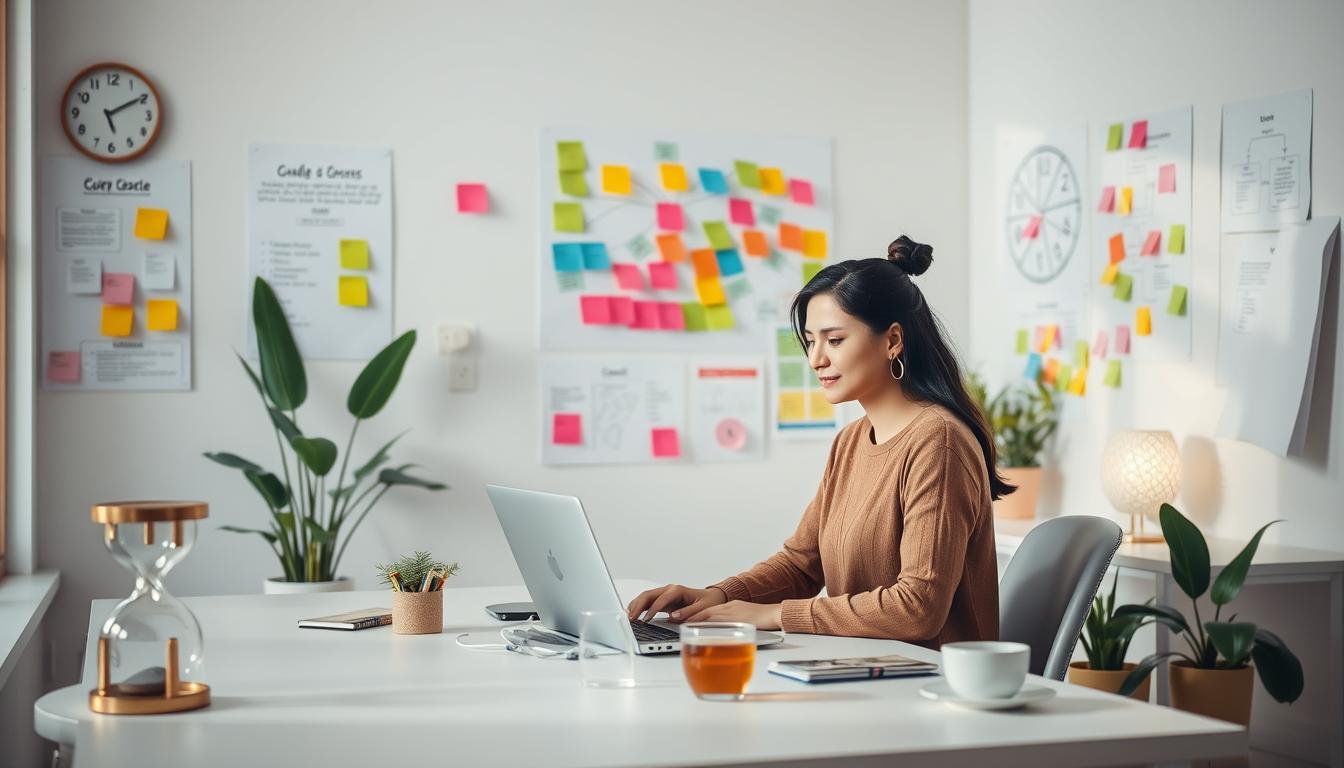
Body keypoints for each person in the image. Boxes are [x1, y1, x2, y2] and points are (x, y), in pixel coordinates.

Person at [627, 235, 1012, 647]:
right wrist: (717, 596)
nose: (816, 359)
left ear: (893, 340)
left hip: (930, 685)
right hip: (866, 669)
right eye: (810, 341)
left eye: (835, 339)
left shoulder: (939, 441)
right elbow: (802, 565)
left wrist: (772, 616)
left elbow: (916, 608)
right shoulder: (850, 441)